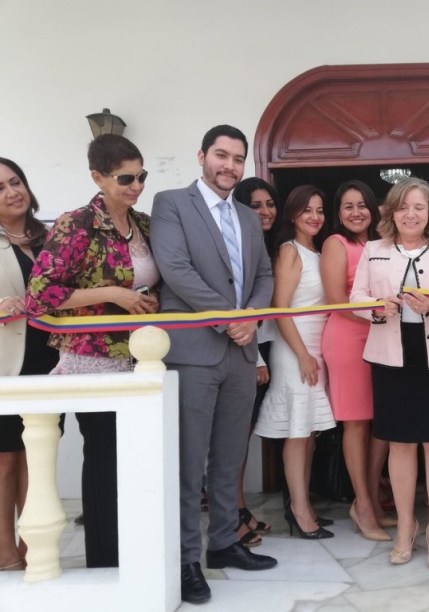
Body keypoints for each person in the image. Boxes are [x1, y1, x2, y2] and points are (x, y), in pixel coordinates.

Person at [150, 125, 276, 606]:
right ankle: (186, 559)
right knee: (188, 462)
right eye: (221, 155)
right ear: (202, 156)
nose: (230, 166)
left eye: (238, 158)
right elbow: (175, 270)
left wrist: (252, 319)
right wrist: (231, 319)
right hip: (192, 349)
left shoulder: (246, 215)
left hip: (240, 353)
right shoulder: (171, 203)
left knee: (228, 458)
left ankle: (223, 543)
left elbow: (262, 274)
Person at [26, 136, 160, 569]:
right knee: (104, 453)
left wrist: (145, 297)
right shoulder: (77, 223)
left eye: (141, 176)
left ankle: (137, 552)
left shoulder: (143, 222)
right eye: (125, 178)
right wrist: (113, 293)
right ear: (97, 177)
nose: (136, 185)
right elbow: (41, 294)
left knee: (136, 454)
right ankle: (107, 559)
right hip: (94, 354)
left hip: (141, 353)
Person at [350, 177, 429, 572]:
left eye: (419, 207)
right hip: (391, 356)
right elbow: (356, 299)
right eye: (403, 207)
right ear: (391, 213)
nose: (411, 214)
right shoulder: (373, 249)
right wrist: (377, 310)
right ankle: (405, 525)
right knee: (399, 444)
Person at [255, 185, 336, 539]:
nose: (315, 216)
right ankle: (299, 511)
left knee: (309, 433)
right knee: (297, 432)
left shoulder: (316, 251)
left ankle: (304, 505)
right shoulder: (289, 251)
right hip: (294, 348)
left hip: (315, 346)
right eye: (308, 210)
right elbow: (281, 310)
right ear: (293, 215)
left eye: (319, 210)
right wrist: (302, 355)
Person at [320, 180, 393, 541]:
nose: (355, 212)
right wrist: (377, 315)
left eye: (362, 205)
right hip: (349, 338)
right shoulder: (336, 244)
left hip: (382, 336)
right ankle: (362, 504)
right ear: (339, 212)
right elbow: (336, 299)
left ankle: (374, 500)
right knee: (356, 424)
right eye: (347, 206)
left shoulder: (381, 245)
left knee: (383, 422)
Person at [0, 158, 59, 572]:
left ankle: (32, 545)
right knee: (5, 458)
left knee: (37, 453)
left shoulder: (52, 236)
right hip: (6, 363)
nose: (11, 192)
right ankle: (5, 551)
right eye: (0, 188)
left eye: (15, 181)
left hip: (51, 360)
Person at [231, 177, 281, 547]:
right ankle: (233, 513)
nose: (264, 211)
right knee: (235, 438)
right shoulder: (238, 245)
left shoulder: (268, 245)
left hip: (263, 348)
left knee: (241, 437)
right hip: (245, 352)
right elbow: (242, 307)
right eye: (255, 205)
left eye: (269, 204)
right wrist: (257, 360)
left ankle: (239, 509)